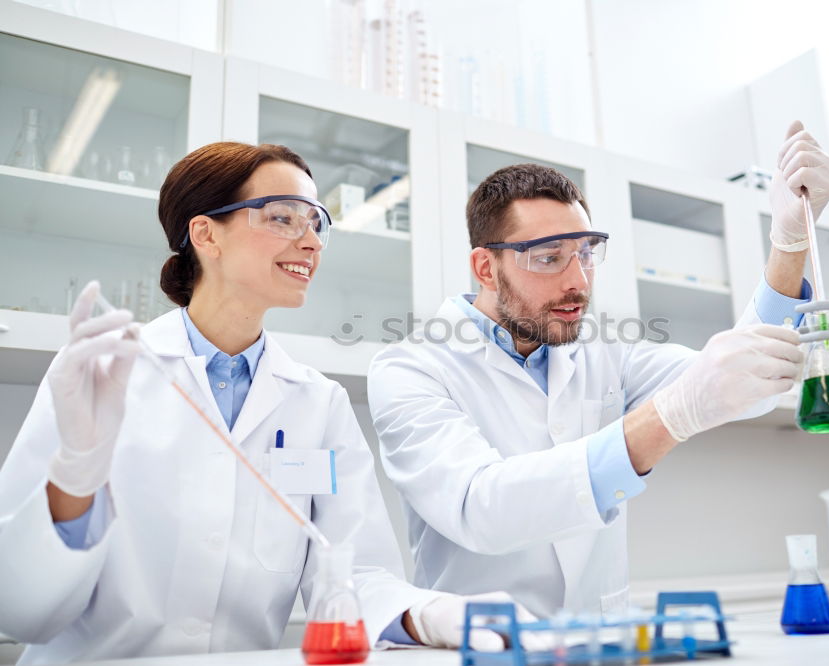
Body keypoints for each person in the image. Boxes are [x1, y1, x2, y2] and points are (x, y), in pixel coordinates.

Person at [0, 142, 531, 663]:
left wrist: (429, 614)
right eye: (283, 218)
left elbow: (351, 572)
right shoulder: (99, 373)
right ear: (206, 233)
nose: (312, 242)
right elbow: (19, 609)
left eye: (317, 223)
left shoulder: (319, 404)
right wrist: (75, 477)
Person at [367, 122, 829, 617]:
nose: (578, 282)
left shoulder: (606, 352)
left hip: (600, 640)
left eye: (586, 255)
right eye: (549, 258)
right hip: (484, 646)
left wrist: (788, 245)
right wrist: (667, 418)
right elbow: (480, 509)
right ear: (486, 268)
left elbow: (744, 381)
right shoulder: (410, 369)